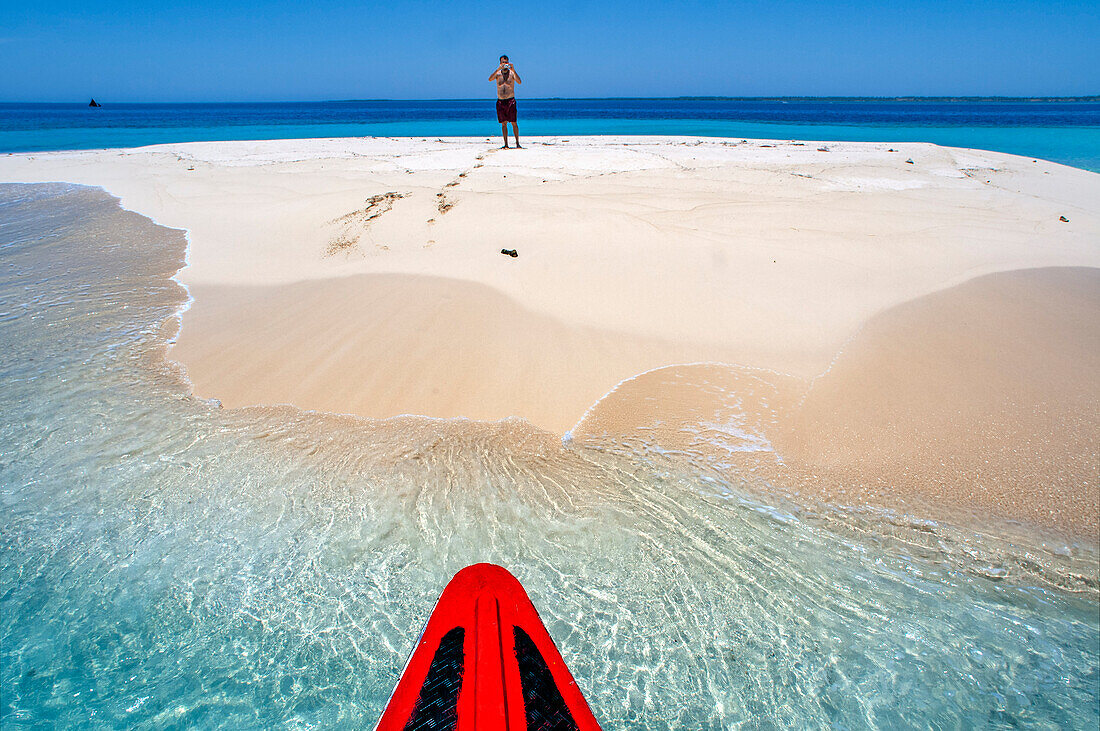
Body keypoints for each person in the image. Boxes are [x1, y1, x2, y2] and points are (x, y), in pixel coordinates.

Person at [489, 55, 522, 149]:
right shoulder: (497, 74)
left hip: (510, 100)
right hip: (500, 101)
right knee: (503, 123)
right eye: (503, 62)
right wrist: (497, 69)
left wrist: (514, 70)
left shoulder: (512, 73)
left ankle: (517, 143)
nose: (504, 64)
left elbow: (519, 82)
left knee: (514, 122)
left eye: (506, 62)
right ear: (500, 63)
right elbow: (490, 79)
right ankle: (506, 144)